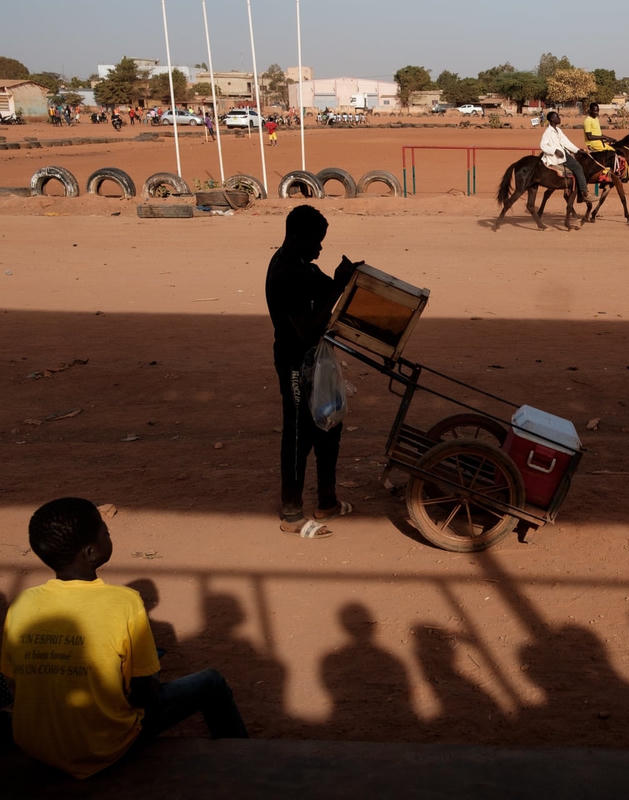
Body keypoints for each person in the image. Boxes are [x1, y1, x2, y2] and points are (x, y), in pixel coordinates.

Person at [0, 498, 247, 779]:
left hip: (35, 744)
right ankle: (243, 762)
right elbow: (144, 694)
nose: (109, 534)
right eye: (105, 531)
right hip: (102, 747)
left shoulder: (22, 604)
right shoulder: (124, 603)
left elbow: (15, 681)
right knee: (211, 682)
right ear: (91, 552)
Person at [265, 206, 360, 539]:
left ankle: (327, 500)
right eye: (316, 241)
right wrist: (338, 287)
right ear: (298, 237)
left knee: (329, 425)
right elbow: (305, 329)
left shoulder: (303, 267)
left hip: (314, 360)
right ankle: (291, 513)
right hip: (294, 362)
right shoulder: (284, 272)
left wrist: (341, 281)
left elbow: (325, 285)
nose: (320, 248)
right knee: (297, 433)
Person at [539, 111, 589, 205]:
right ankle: (584, 192)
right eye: (557, 117)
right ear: (552, 119)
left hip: (564, 154)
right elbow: (542, 145)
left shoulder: (558, 130)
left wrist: (577, 150)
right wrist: (554, 151)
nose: (559, 118)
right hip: (556, 158)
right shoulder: (548, 132)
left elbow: (566, 142)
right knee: (578, 167)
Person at [581, 102, 614, 183]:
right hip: (592, 143)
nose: (596, 113)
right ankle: (604, 174)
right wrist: (603, 137)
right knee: (612, 152)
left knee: (614, 149)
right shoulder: (587, 121)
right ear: (590, 110)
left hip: (598, 142)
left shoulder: (596, 119)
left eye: (597, 111)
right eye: (595, 111)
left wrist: (609, 138)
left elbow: (598, 134)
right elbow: (589, 136)